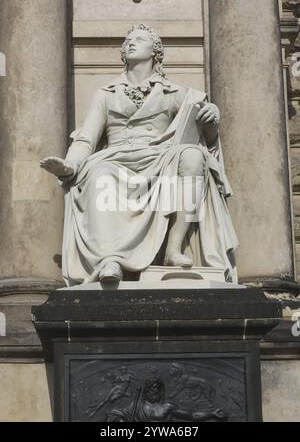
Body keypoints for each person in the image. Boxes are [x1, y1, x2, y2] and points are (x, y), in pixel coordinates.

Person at [40, 23, 239, 286]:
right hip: (115, 158)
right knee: (99, 173)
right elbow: (86, 139)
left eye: (140, 39)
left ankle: (174, 249)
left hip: (158, 158)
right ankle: (110, 259)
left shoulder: (175, 92)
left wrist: (211, 118)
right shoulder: (106, 93)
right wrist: (70, 166)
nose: (130, 43)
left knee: (193, 157)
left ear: (155, 52)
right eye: (128, 41)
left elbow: (206, 137)